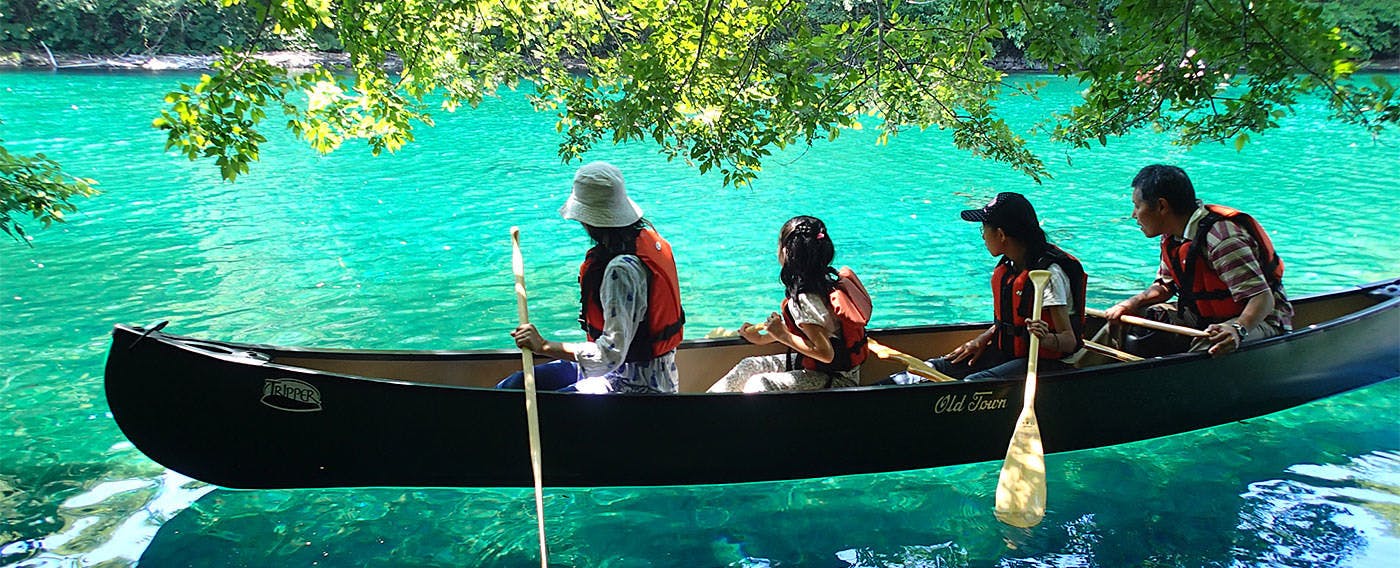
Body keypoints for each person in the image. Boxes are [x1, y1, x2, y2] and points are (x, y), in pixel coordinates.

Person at [498, 161, 685, 393]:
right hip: (613, 371)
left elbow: (608, 356)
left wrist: (543, 345)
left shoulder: (621, 270)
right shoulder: (641, 239)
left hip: (634, 386)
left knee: (553, 406)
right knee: (513, 386)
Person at [1089, 164, 1291, 358]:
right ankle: (1081, 365)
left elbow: (1262, 299)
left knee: (1212, 345)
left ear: (1161, 206)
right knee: (1132, 319)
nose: (1134, 215)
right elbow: (1165, 286)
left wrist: (1236, 329)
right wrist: (1130, 304)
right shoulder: (1173, 236)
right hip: (1203, 317)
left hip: (1257, 321)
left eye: (1137, 206)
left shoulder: (1222, 239)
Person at [892, 192, 1087, 383]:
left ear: (1001, 234)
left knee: (973, 383)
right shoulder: (1011, 265)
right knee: (934, 368)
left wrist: (1045, 340)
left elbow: (1069, 341)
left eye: (983, 229)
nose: (983, 237)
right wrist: (983, 338)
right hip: (1009, 356)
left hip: (1045, 363)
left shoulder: (1048, 275)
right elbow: (1013, 322)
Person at [707, 216, 871, 392]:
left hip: (837, 380)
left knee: (760, 384)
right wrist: (764, 338)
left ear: (787, 252)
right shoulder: (824, 281)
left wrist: (783, 335)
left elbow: (825, 353)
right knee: (749, 366)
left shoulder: (805, 298)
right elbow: (816, 329)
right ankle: (705, 410)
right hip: (835, 371)